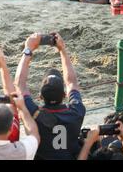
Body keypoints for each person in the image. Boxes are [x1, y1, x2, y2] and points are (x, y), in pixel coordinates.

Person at [15, 32, 86, 160]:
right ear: (64, 95)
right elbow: (72, 83)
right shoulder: (76, 112)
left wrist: (28, 49)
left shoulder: (34, 113)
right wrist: (62, 50)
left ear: (40, 97)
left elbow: (20, 84)